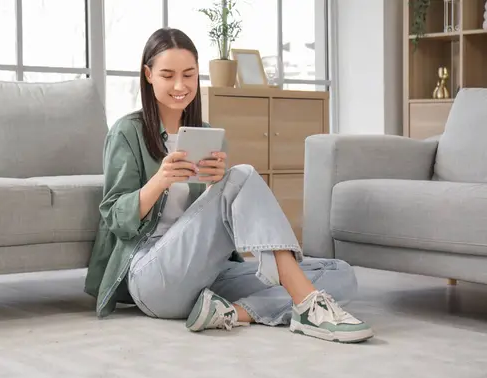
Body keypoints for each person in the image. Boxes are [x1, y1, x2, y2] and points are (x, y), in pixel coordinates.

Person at [85, 27, 374, 343]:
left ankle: (232, 313)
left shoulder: (204, 132)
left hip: (207, 277)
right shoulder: (127, 132)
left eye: (189, 75)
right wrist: (160, 180)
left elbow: (212, 225)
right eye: (167, 75)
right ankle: (308, 306)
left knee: (340, 273)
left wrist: (215, 187)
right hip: (153, 279)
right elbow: (115, 217)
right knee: (244, 174)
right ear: (148, 75)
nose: (180, 85)